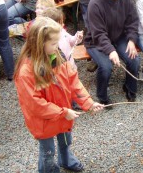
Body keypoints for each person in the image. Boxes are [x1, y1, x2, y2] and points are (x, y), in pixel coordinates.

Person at [14, 17, 104, 173]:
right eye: (54, 43)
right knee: (48, 151)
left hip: (62, 114)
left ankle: (66, 159)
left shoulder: (58, 57)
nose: (58, 46)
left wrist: (88, 103)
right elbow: (36, 104)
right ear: (39, 44)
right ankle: (49, 170)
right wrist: (63, 112)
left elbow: (74, 83)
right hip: (44, 120)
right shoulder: (26, 72)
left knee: (65, 141)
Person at [84, 0, 140, 106]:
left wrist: (132, 40)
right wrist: (111, 50)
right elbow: (98, 33)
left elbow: (132, 21)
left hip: (118, 36)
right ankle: (102, 95)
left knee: (134, 59)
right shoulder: (95, 4)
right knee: (106, 66)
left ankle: (129, 88)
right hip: (96, 41)